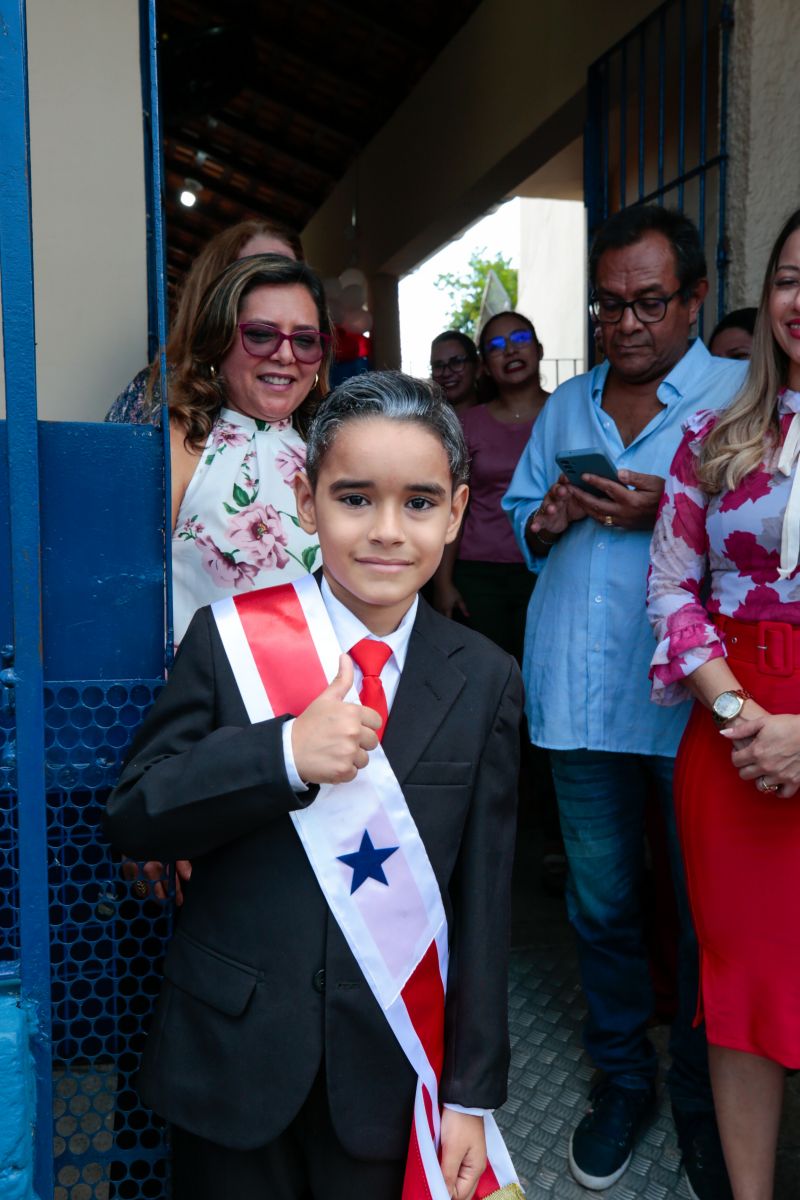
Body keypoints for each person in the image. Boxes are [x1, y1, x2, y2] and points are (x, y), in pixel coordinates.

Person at [103, 372, 524, 1200]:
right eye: (356, 498)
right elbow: (136, 813)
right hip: (232, 1054)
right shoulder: (227, 641)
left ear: (457, 511)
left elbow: (486, 901)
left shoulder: (485, 677)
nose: (386, 531)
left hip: (387, 1068)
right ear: (306, 501)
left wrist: (470, 1094)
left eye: (419, 503)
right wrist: (284, 753)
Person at [502, 204, 747, 1199]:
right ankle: (619, 1082)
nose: (625, 325)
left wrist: (679, 502)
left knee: (702, 916)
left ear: (692, 297)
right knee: (599, 906)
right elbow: (514, 523)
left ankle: (702, 1102)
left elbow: (774, 524)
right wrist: (552, 513)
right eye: (607, 306)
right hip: (577, 690)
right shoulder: (566, 406)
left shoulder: (739, 392)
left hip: (695, 699)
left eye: (648, 302)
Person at [647, 208, 800, 1200]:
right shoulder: (712, 436)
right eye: (789, 277)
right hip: (732, 735)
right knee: (739, 988)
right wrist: (744, 718)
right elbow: (669, 587)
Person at [168, 252, 333, 646]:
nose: (285, 354)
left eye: (305, 340)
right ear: (219, 341)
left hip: (322, 692)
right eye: (261, 334)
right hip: (205, 695)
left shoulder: (331, 450)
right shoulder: (181, 439)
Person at [106, 218, 303, 425]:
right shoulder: (162, 390)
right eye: (254, 278)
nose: (277, 292)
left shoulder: (317, 410)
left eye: (291, 276)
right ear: (215, 296)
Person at [429, 329, 480, 415]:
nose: (446, 373)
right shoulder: (424, 423)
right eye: (438, 365)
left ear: (478, 367)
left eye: (456, 362)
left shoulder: (501, 418)